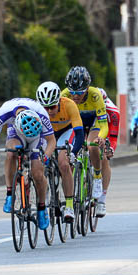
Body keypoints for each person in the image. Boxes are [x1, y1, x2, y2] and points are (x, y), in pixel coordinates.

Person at [0, 100, 55, 230]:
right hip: (16, 132)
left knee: (37, 173)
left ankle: (42, 208)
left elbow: (51, 141)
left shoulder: (41, 113)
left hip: (37, 135)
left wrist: (45, 156)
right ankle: (9, 194)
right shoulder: (4, 113)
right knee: (11, 153)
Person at [62, 66, 111, 216]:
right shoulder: (64, 95)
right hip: (76, 123)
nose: (75, 96)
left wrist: (100, 137)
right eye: (73, 92)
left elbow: (104, 125)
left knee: (92, 145)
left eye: (79, 92)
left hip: (94, 121)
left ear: (87, 88)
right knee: (65, 154)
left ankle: (97, 177)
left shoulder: (95, 95)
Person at [35, 81, 83, 224]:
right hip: (47, 133)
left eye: (52, 107)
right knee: (38, 163)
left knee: (63, 164)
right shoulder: (36, 109)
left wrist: (73, 153)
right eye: (45, 108)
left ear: (59, 102)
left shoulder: (69, 105)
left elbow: (79, 134)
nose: (49, 111)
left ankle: (69, 206)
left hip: (66, 132)